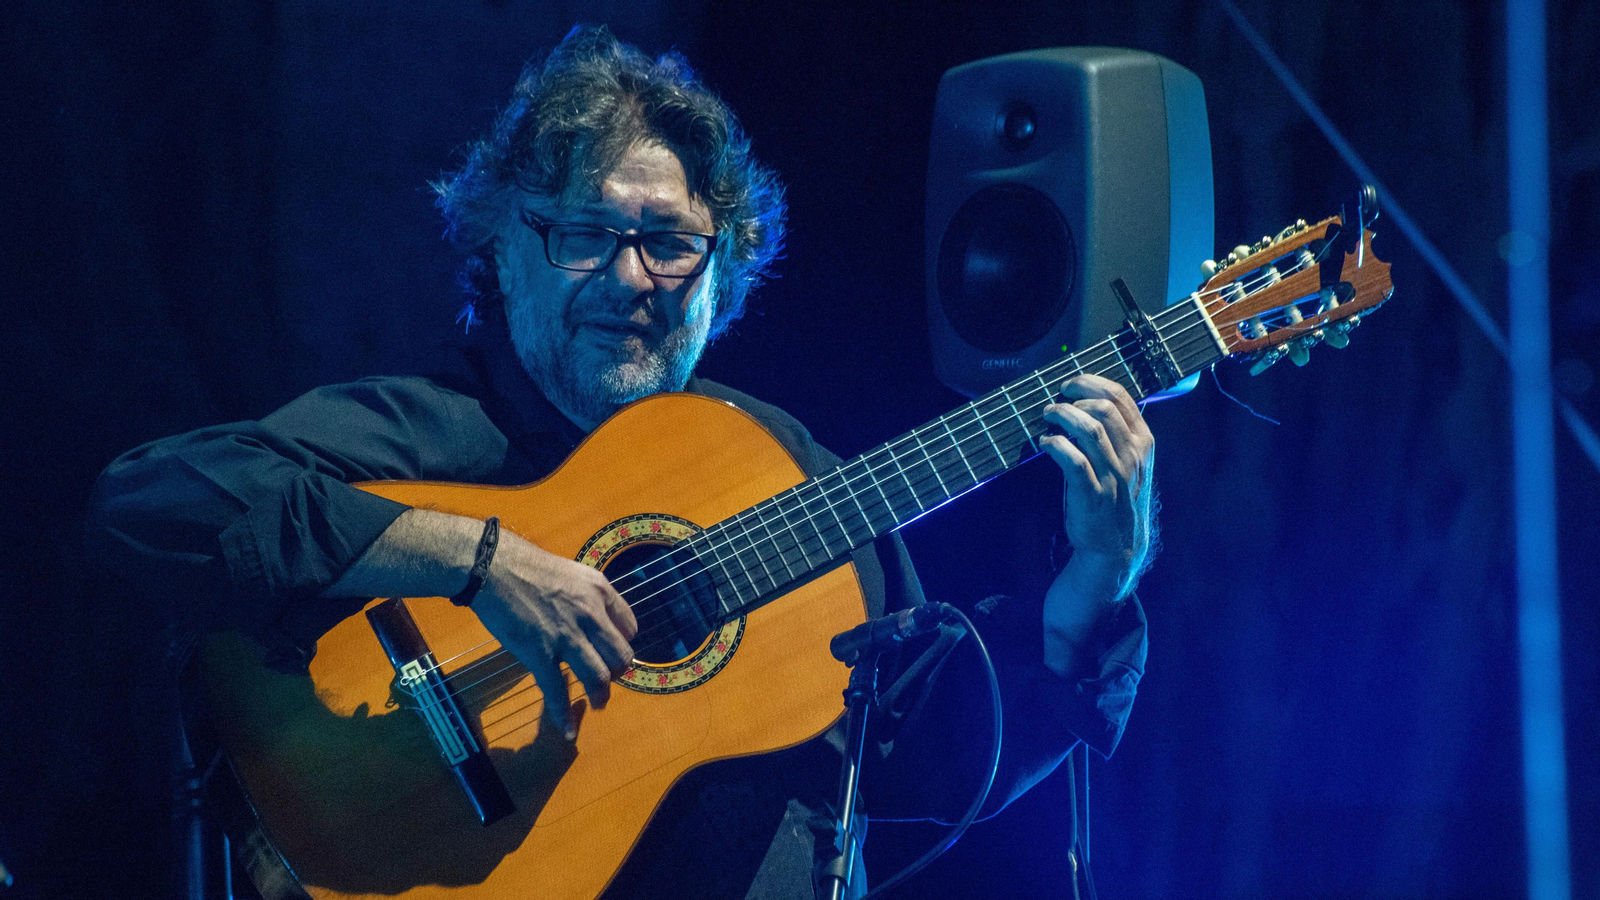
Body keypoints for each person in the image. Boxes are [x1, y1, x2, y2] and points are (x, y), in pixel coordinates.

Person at [88, 25, 1150, 900]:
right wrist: (479, 560)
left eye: (671, 241)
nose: (631, 276)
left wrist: (1092, 585)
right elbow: (151, 502)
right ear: (503, 248)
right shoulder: (422, 435)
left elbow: (923, 763)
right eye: (587, 233)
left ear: (724, 271)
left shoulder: (777, 464)